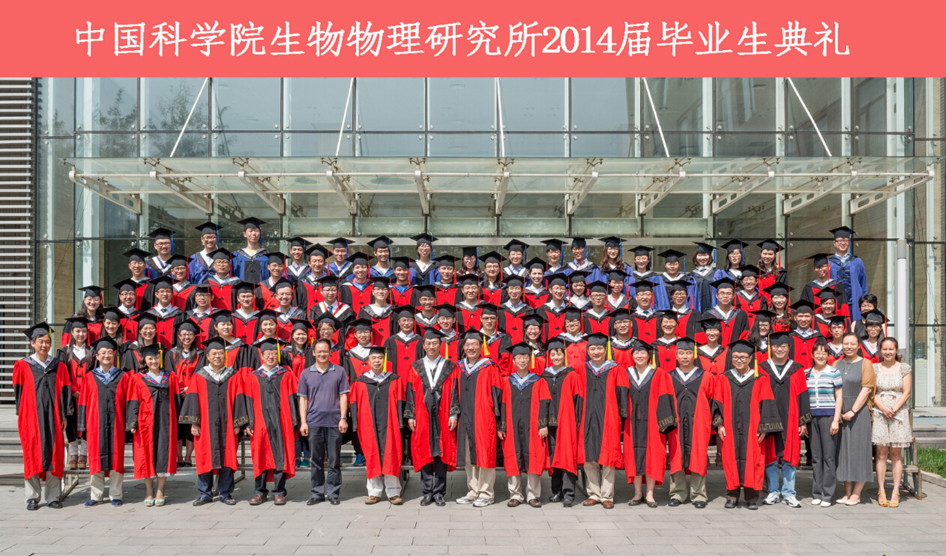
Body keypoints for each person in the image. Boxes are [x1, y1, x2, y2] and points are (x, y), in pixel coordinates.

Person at [554, 333, 624, 508]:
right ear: (588, 351)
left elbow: (622, 394)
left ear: (605, 350)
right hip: (586, 417)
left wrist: (622, 418)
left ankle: (607, 495)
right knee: (589, 454)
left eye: (599, 348)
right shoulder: (581, 369)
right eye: (592, 349)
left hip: (609, 417)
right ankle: (594, 493)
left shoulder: (616, 369)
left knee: (608, 455)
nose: (596, 352)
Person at [179, 336, 247, 506]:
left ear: (225, 355)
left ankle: (226, 493)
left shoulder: (233, 375)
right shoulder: (199, 376)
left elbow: (239, 399)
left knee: (227, 457)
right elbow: (193, 399)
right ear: (208, 356)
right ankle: (205, 493)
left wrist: (238, 423)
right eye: (214, 354)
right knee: (204, 456)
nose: (217, 356)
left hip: (228, 424)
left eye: (220, 353)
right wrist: (194, 422)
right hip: (205, 425)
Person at [716, 339, 782, 510]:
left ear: (750, 359)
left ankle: (752, 497)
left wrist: (764, 428)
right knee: (731, 459)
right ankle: (732, 496)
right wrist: (719, 424)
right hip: (730, 428)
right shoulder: (724, 378)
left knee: (754, 460)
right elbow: (717, 403)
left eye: (743, 357)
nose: (739, 360)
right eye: (735, 357)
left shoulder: (760, 379)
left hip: (753, 428)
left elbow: (767, 404)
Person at [15, 323, 72, 510]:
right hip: (31, 418)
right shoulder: (23, 365)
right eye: (40, 341)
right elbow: (18, 394)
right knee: (31, 453)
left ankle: (53, 496)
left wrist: (64, 415)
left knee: (55, 453)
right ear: (32, 343)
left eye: (47, 341)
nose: (44, 345)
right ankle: (32, 497)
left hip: (54, 417)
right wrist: (22, 415)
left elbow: (65, 391)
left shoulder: (58, 366)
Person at [620, 340, 678, 508]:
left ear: (648, 356)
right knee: (634, 455)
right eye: (636, 353)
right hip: (632, 423)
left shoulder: (658, 373)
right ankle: (637, 492)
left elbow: (665, 396)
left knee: (653, 455)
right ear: (632, 356)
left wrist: (664, 422)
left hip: (653, 423)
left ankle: (650, 493)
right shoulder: (626, 373)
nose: (639, 356)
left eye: (642, 353)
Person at [406, 329, 459, 506]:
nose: (431, 346)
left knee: (442, 451)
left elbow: (455, 391)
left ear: (440, 345)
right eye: (428, 343)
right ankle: (427, 492)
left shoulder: (450, 366)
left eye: (435, 343)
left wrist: (453, 413)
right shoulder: (416, 366)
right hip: (422, 414)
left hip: (443, 414)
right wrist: (411, 415)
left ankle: (439, 492)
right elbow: (410, 392)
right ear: (423, 345)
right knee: (424, 449)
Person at [79, 337, 134, 507]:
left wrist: (129, 423)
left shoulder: (122, 376)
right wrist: (82, 424)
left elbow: (129, 401)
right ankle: (96, 495)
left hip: (117, 423)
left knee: (117, 458)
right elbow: (83, 401)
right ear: (96, 356)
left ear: (114, 355)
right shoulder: (89, 377)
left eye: (110, 352)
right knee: (95, 457)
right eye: (103, 353)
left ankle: (116, 494)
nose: (106, 355)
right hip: (95, 424)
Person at [349, 345, 407, 505]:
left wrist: (401, 422)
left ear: (384, 360)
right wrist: (356, 423)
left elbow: (401, 401)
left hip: (391, 424)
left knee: (390, 454)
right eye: (373, 358)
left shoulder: (394, 379)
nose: (377, 361)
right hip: (368, 425)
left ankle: (393, 492)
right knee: (372, 455)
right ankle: (374, 492)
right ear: (368, 361)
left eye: (380, 358)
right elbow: (354, 404)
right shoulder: (360, 382)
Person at [243, 337, 298, 506]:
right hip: (259, 423)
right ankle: (259, 492)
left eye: (274, 353)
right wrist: (249, 422)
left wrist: (293, 421)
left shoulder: (286, 375)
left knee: (281, 454)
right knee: (260, 454)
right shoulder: (253, 376)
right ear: (262, 356)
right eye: (267, 353)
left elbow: (293, 399)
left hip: (282, 422)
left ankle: (279, 492)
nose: (271, 356)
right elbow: (248, 401)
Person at [760, 332, 812, 509]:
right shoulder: (762, 368)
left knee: (790, 454)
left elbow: (803, 395)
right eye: (776, 346)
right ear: (770, 348)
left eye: (783, 346)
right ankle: (773, 491)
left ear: (789, 347)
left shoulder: (797, 369)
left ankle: (789, 493)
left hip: (791, 418)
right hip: (769, 419)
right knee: (771, 455)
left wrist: (803, 421)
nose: (779, 349)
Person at [667, 338, 719, 509]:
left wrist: (715, 423)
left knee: (698, 456)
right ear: (676, 355)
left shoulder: (706, 376)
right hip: (676, 425)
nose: (685, 356)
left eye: (688, 353)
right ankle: (677, 493)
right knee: (676, 456)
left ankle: (699, 495)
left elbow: (713, 402)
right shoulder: (669, 377)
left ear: (694, 355)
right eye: (681, 353)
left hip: (700, 423)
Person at [297, 338, 350, 506]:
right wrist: (303, 422)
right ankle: (317, 493)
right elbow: (302, 399)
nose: (322, 354)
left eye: (325, 351)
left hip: (334, 422)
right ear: (313, 353)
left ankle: (333, 493)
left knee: (334, 460)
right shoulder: (306, 373)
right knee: (316, 460)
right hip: (314, 422)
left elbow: (343, 396)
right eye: (319, 351)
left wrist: (343, 418)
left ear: (330, 352)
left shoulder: (339, 371)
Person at [126, 344, 180, 507]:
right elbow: (133, 401)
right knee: (146, 454)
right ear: (145, 360)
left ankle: (160, 490)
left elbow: (176, 399)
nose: (154, 361)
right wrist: (132, 422)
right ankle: (149, 490)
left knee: (163, 454)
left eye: (156, 358)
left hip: (166, 422)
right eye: (150, 358)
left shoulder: (170, 376)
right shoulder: (137, 378)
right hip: (145, 423)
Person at [454, 329, 503, 508]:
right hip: (464, 417)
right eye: (467, 345)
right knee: (469, 455)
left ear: (481, 347)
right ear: (463, 347)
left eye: (474, 344)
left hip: (484, 417)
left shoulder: (489, 366)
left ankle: (486, 493)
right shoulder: (459, 367)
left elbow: (498, 393)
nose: (471, 348)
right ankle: (473, 490)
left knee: (485, 454)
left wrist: (499, 420)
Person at [499, 342, 551, 508]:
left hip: (533, 426)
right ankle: (515, 494)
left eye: (525, 357)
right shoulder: (507, 381)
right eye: (519, 357)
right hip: (512, 425)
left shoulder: (539, 381)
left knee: (534, 455)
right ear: (513, 361)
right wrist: (502, 426)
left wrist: (543, 424)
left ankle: (532, 495)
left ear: (530, 360)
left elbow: (544, 403)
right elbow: (502, 404)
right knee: (512, 456)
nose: (522, 360)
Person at [835, 332, 876, 506]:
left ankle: (857, 494)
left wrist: (852, 410)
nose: (849, 347)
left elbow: (867, 389)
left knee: (859, 452)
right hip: (841, 413)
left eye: (852, 343)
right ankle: (847, 493)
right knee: (844, 452)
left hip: (858, 413)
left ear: (859, 346)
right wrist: (838, 413)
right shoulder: (836, 364)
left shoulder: (865, 363)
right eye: (846, 343)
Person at [872, 337, 913, 509]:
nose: (888, 352)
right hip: (880, 413)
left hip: (898, 412)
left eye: (891, 349)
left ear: (896, 350)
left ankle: (895, 491)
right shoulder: (874, 368)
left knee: (896, 454)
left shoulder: (904, 368)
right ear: (880, 350)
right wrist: (883, 408)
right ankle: (881, 489)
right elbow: (871, 391)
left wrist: (894, 409)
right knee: (881, 454)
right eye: (885, 349)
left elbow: (907, 392)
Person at [805, 338, 843, 507]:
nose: (820, 356)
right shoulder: (806, 373)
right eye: (817, 353)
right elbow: (804, 399)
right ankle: (817, 492)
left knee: (829, 457)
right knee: (816, 457)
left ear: (828, 355)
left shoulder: (833, 372)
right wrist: (804, 422)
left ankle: (827, 495)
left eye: (824, 353)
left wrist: (835, 420)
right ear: (812, 355)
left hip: (828, 417)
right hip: (812, 418)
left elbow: (839, 396)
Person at [539, 338, 577, 506]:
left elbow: (578, 400)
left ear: (564, 355)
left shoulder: (571, 375)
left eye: (559, 354)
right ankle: (557, 492)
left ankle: (569, 493)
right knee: (554, 455)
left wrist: (577, 423)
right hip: (550, 423)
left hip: (567, 422)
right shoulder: (544, 376)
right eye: (553, 354)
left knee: (567, 455)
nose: (556, 357)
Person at [164, 319, 202, 468]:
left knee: (190, 423)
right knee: (178, 425)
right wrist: (177, 389)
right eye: (184, 334)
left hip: (193, 393)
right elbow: (169, 372)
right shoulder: (171, 354)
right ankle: (179, 456)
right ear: (179, 336)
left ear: (194, 336)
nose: (187, 337)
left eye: (190, 334)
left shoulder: (200, 354)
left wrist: (189, 388)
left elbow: (200, 373)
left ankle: (188, 457)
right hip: (175, 393)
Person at [57, 317, 91, 471]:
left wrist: (85, 391)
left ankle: (83, 453)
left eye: (83, 331)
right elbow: (60, 375)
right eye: (78, 331)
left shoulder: (92, 352)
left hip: (87, 395)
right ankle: (73, 453)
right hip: (70, 396)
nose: (81, 334)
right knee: (70, 422)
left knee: (86, 423)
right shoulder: (64, 352)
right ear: (71, 332)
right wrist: (72, 389)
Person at [828, 226, 869, 321]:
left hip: (854, 303)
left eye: (846, 240)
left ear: (849, 242)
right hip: (837, 304)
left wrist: (865, 302)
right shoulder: (829, 263)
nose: (843, 243)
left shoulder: (857, 261)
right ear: (834, 243)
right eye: (840, 241)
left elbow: (863, 284)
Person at [231, 217, 271, 284]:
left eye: (256, 231)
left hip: (262, 290)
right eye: (250, 231)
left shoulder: (267, 255)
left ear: (260, 233)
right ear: (244, 234)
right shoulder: (236, 255)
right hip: (242, 290)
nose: (254, 233)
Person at [689, 242, 718, 311]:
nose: (702, 258)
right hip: (697, 311)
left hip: (715, 311)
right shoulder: (691, 276)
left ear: (710, 256)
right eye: (699, 255)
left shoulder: (718, 273)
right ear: (695, 257)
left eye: (705, 255)